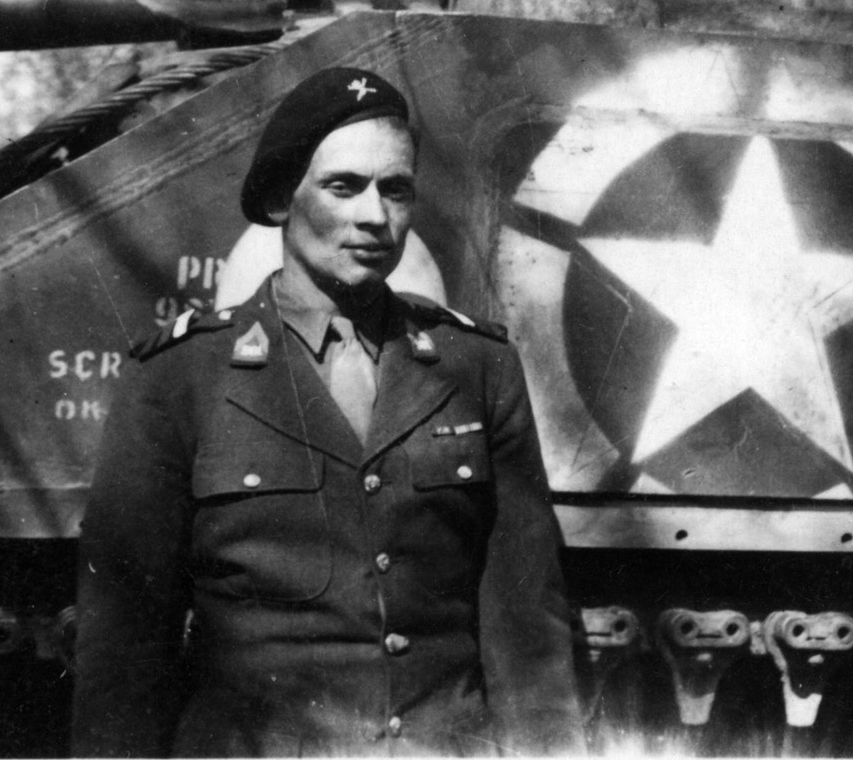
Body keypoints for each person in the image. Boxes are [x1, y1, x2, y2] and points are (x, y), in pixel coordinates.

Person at [73, 67, 581, 757]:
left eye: (396, 189)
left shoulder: (478, 367)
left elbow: (528, 630)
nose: (375, 215)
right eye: (344, 186)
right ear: (284, 198)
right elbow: (124, 656)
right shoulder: (180, 377)